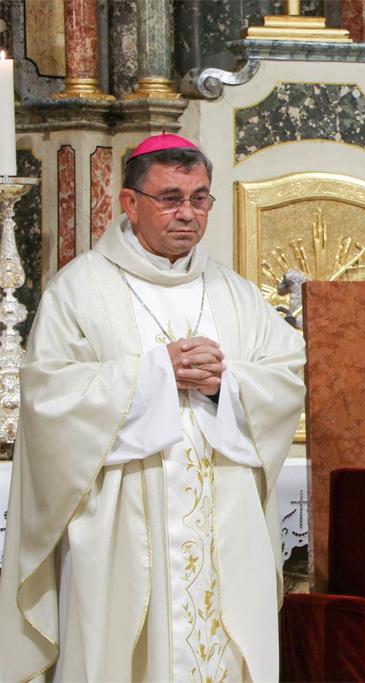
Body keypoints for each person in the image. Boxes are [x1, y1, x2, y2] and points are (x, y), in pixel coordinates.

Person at [0, 133, 306, 682]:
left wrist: (225, 384)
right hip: (121, 525)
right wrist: (156, 373)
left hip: (225, 519)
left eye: (199, 198)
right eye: (170, 198)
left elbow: (286, 375)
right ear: (129, 202)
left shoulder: (234, 292)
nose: (187, 213)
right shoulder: (80, 289)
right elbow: (50, 397)